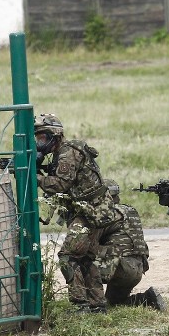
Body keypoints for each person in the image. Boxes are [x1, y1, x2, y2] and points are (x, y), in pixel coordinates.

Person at [35, 113, 120, 314]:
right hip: (94, 210)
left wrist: (35, 176)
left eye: (42, 138)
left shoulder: (67, 153)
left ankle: (80, 305)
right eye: (36, 139)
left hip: (91, 212)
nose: (39, 143)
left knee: (68, 255)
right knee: (86, 257)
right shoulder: (63, 153)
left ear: (55, 136)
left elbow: (60, 184)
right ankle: (97, 305)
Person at [96, 179, 165, 311]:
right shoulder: (130, 210)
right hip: (137, 268)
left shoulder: (108, 214)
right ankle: (148, 298)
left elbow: (87, 241)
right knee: (115, 303)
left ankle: (90, 305)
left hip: (120, 268)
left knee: (79, 259)